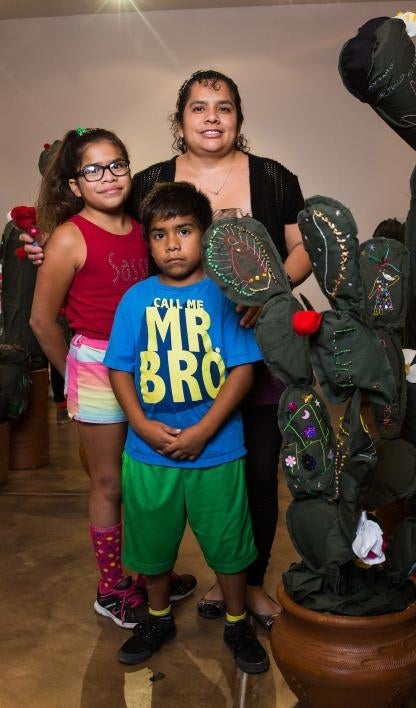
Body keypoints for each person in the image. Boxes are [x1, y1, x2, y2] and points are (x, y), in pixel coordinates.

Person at [128, 69, 312, 629]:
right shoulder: (149, 181)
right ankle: (167, 581)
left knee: (256, 472)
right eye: (199, 108)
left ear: (239, 119)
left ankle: (246, 585)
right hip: (171, 358)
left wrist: (269, 286)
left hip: (252, 352)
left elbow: (303, 247)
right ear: (180, 121)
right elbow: (109, 235)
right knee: (170, 483)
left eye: (224, 107)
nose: (212, 117)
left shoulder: (274, 178)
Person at [29, 128, 195, 629]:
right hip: (99, 364)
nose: (108, 177)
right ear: (76, 183)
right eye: (93, 169)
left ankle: (148, 573)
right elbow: (42, 321)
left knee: (145, 478)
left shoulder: (144, 226)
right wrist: (77, 373)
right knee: (108, 482)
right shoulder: (68, 237)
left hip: (150, 364)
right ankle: (111, 587)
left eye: (117, 164)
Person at [104, 181, 269, 673]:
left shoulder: (224, 296)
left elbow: (243, 369)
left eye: (184, 231)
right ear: (148, 242)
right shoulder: (136, 300)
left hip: (216, 451)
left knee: (228, 541)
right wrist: (139, 423)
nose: (172, 245)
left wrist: (204, 431)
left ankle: (237, 621)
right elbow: (119, 367)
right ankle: (157, 617)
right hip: (148, 451)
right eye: (159, 235)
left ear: (205, 235)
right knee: (152, 544)